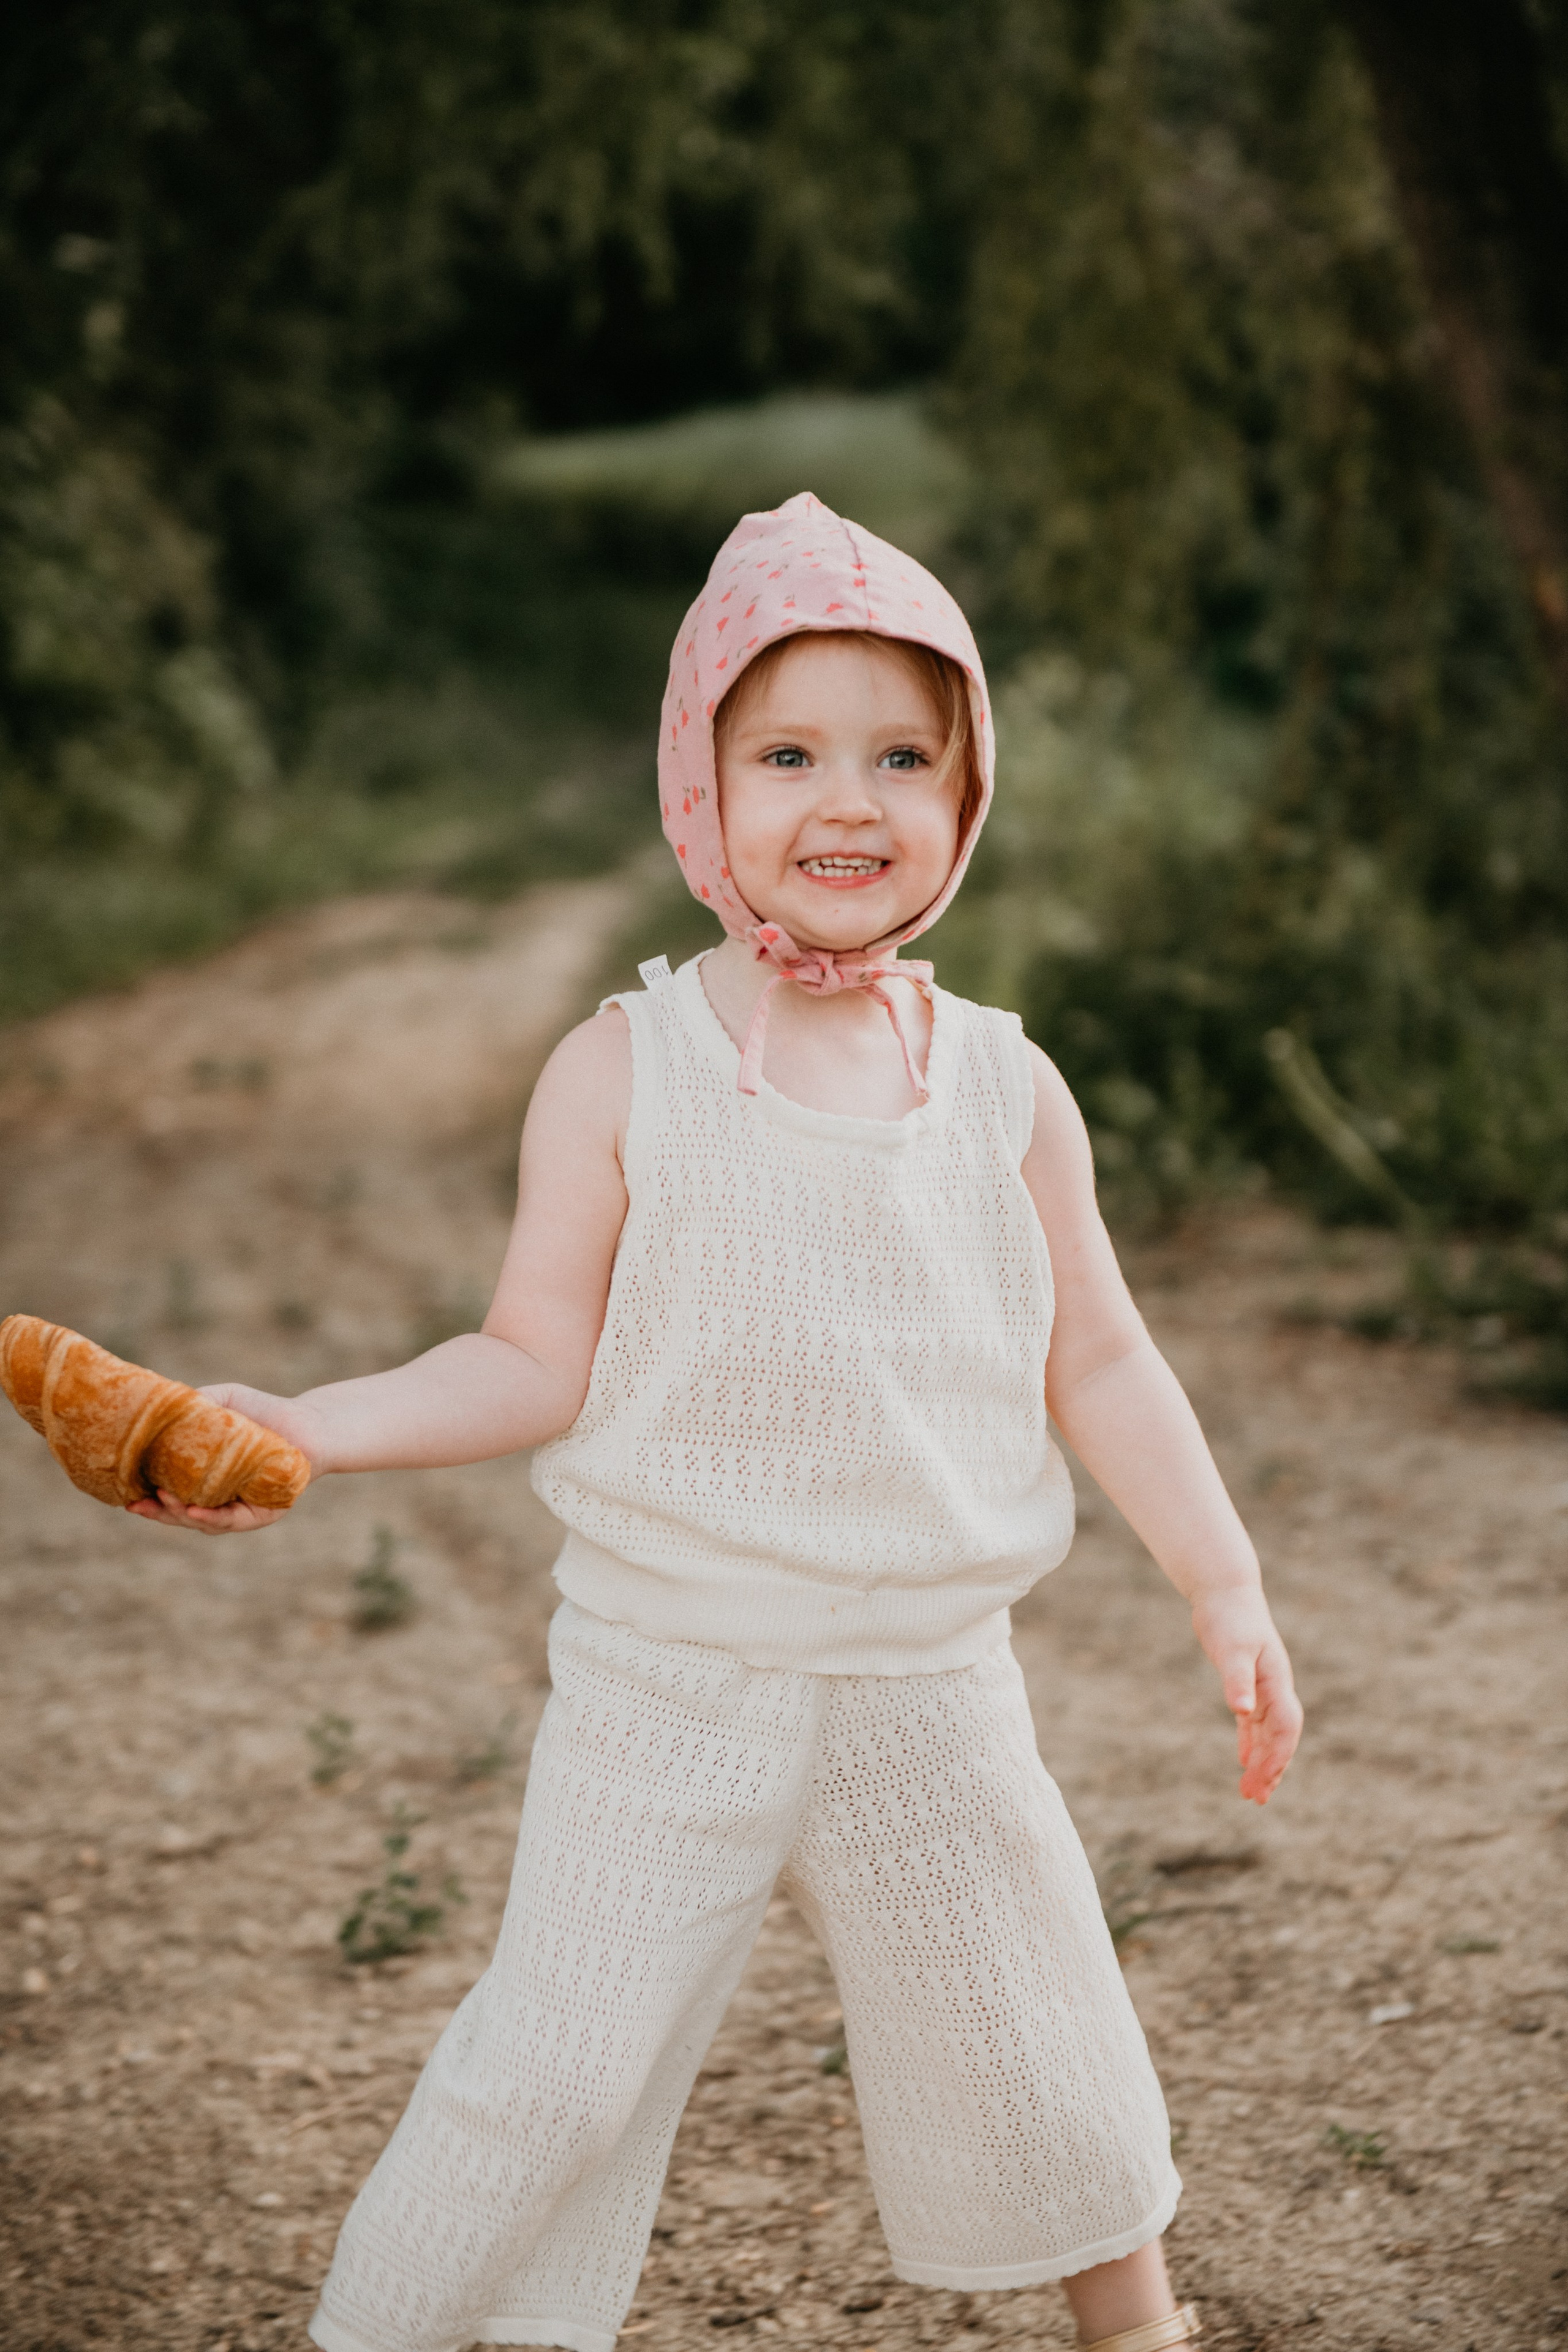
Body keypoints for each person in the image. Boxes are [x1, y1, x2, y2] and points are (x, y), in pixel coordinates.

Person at [134, 493, 1303, 2352]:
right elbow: (528, 1356)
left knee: (1048, 2047)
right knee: (557, 2073)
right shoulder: (629, 1068)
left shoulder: (1003, 1084)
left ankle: (1138, 2337)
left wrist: (1224, 1584)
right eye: (788, 752)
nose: (849, 799)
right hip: (668, 1678)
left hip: (930, 1676)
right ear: (704, 788)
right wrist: (312, 1423)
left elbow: (1103, 1360)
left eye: (903, 755)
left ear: (967, 792)